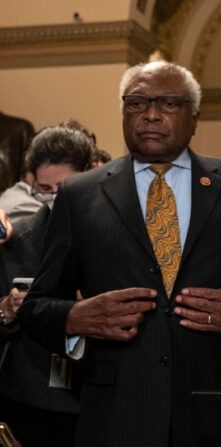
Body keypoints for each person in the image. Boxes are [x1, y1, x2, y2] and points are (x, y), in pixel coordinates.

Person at [17, 61, 221, 447]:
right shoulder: (78, 195)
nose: (151, 115)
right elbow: (36, 307)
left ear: (194, 118)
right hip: (115, 416)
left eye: (169, 104)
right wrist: (74, 317)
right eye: (137, 102)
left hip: (215, 414)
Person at [0, 125, 95, 447]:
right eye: (43, 189)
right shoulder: (18, 239)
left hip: (99, 398)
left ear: (92, 172)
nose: (55, 199)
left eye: (64, 188)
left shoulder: (116, 237)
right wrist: (6, 311)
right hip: (28, 402)